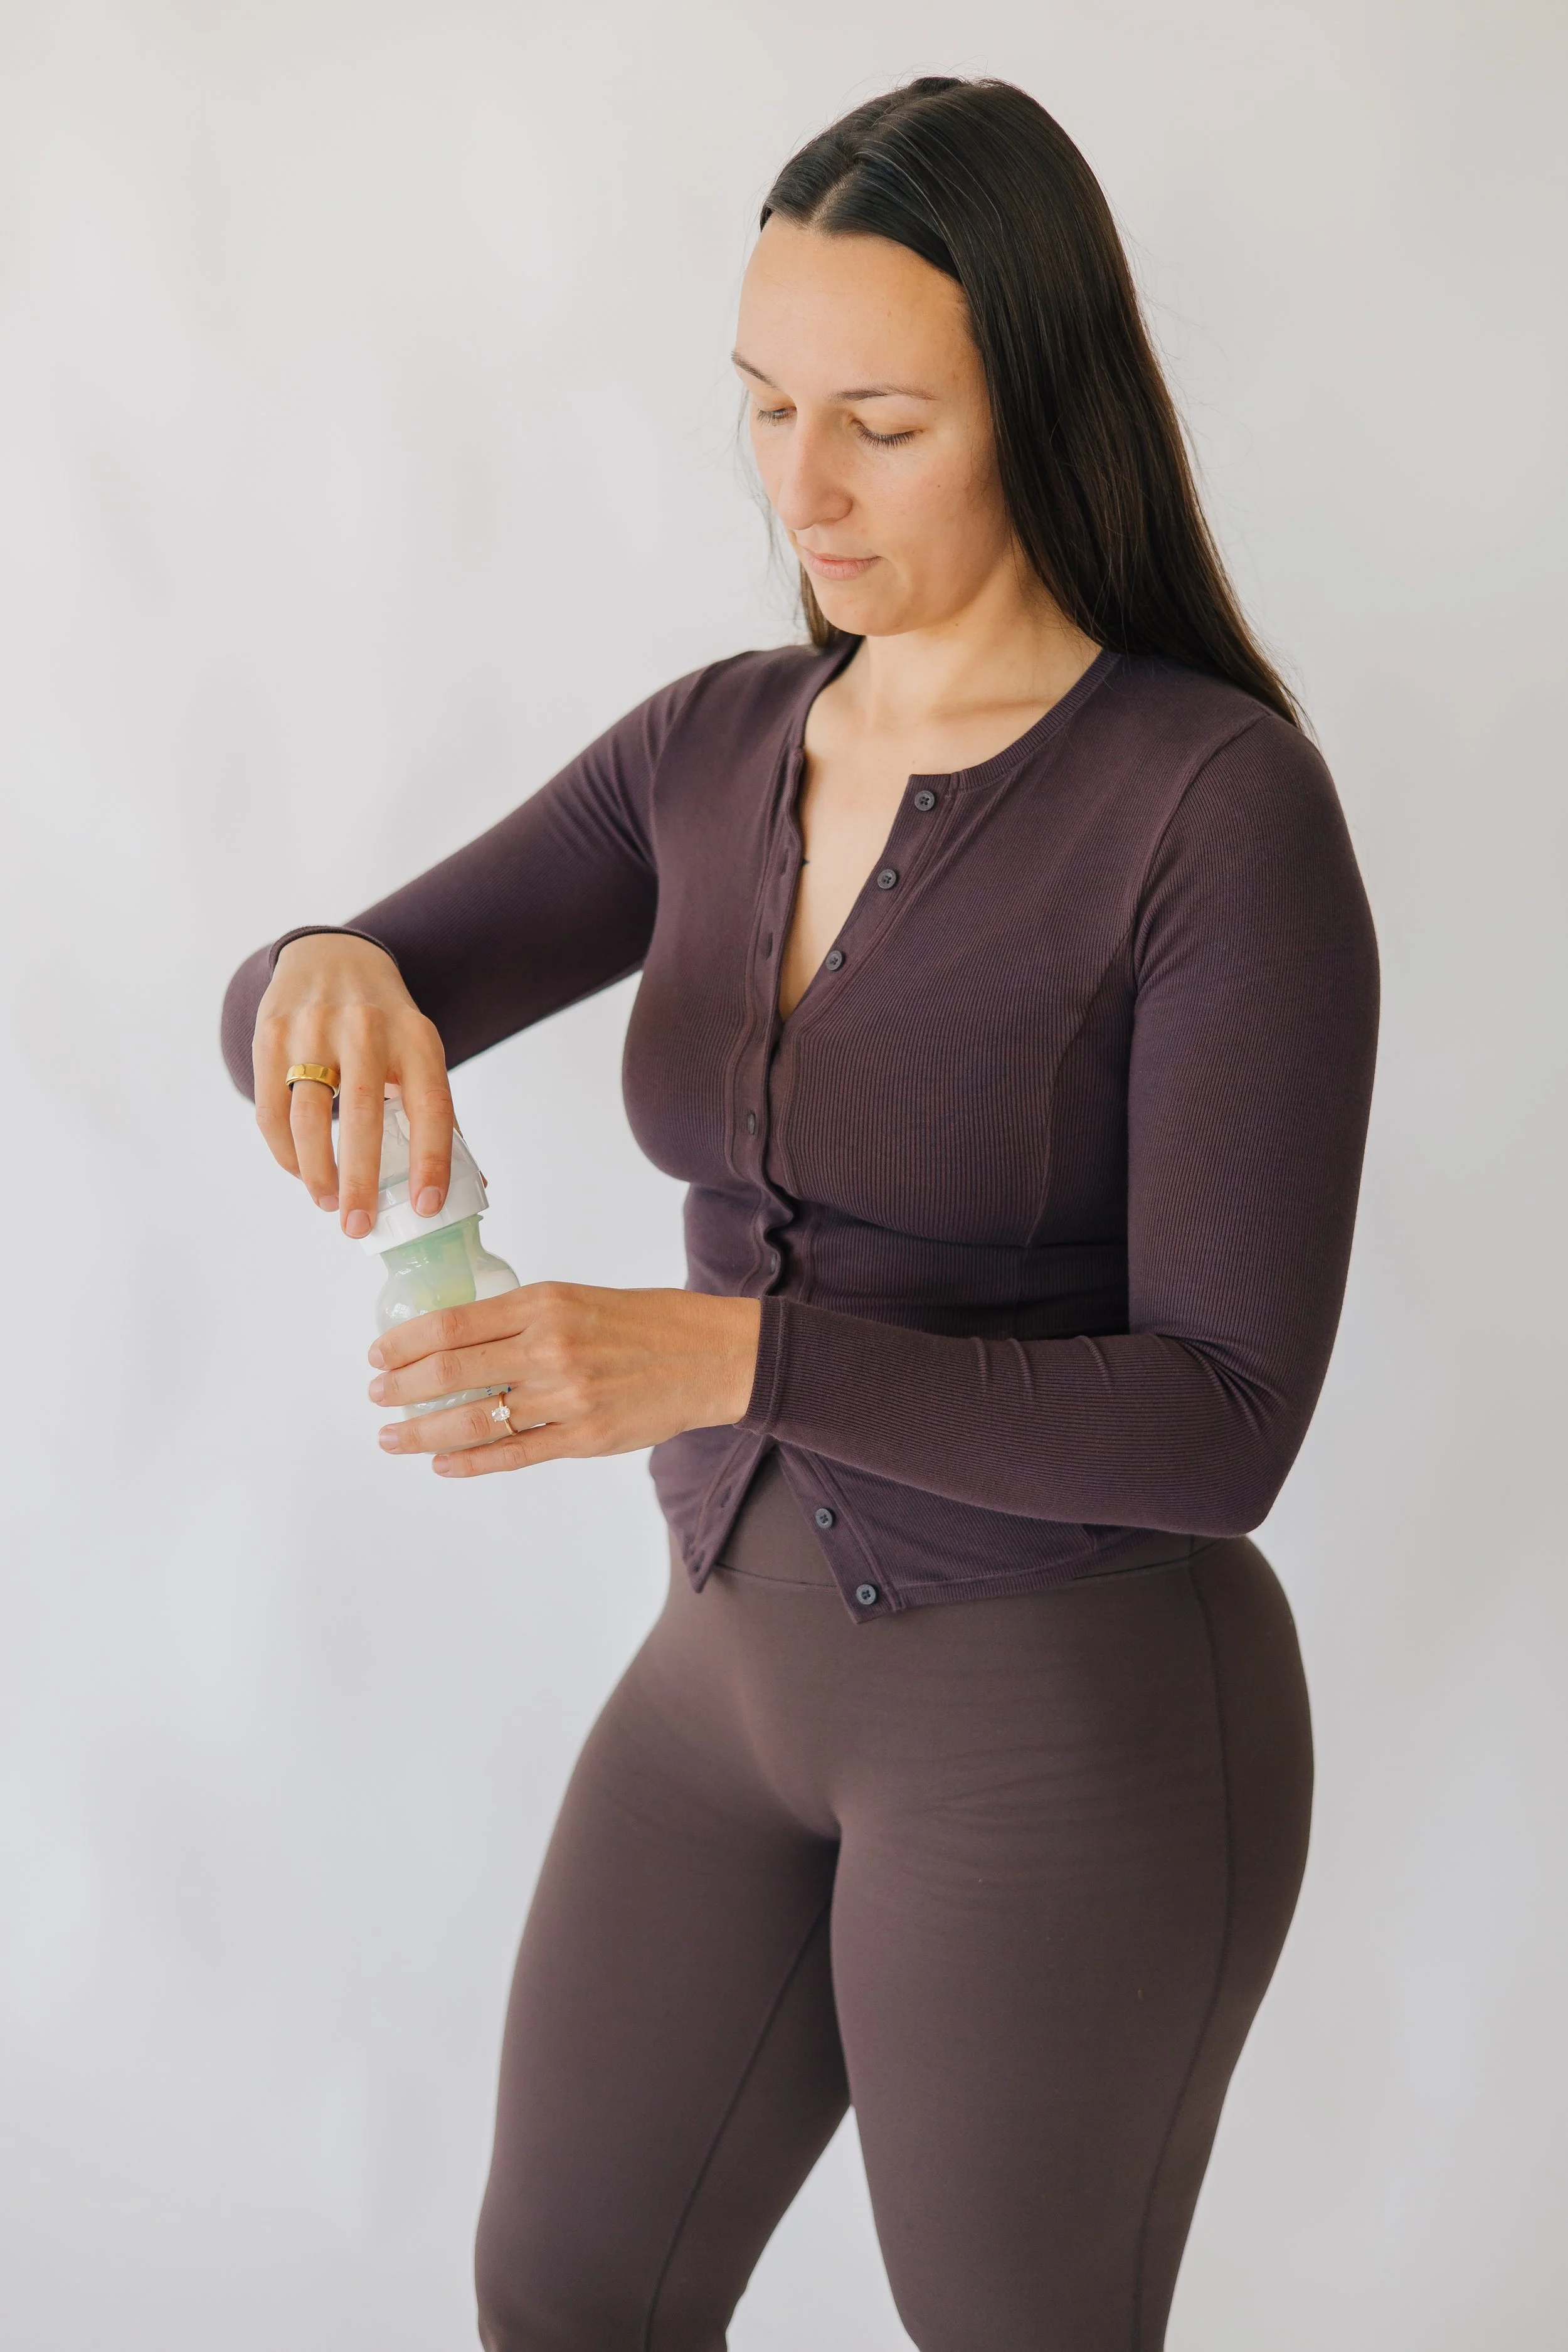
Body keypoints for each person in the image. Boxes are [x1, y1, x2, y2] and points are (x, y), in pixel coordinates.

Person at [221, 75, 1379, 2352]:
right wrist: (313, 971)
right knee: (562, 2291)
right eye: (762, 411)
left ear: (1045, 409)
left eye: (879, 422)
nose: (802, 492)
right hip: (728, 1669)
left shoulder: (1213, 812)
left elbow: (1223, 1424)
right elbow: (325, 991)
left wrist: (723, 1354)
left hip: (1075, 1709)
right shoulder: (719, 744)